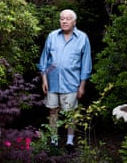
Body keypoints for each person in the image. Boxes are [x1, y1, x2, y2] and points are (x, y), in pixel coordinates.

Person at [38, 9, 92, 153]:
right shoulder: (52, 36)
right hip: (52, 82)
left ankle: (69, 142)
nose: (64, 21)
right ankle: (54, 140)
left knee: (70, 114)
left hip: (72, 83)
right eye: (62, 19)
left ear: (74, 22)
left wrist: (82, 85)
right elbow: (44, 60)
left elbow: (86, 64)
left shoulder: (82, 38)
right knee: (53, 111)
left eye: (68, 19)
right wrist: (44, 79)